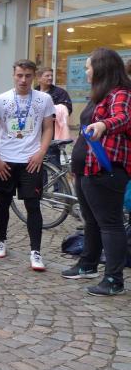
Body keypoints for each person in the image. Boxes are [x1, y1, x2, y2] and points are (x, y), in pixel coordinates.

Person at [61, 48, 130, 296]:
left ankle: (114, 279)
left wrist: (103, 124)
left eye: (88, 67)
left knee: (110, 224)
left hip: (106, 170)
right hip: (87, 169)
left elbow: (123, 118)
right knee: (90, 221)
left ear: (101, 68)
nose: (86, 72)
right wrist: (76, 166)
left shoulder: (121, 93)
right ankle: (87, 265)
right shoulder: (99, 95)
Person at [0, 59, 55, 270]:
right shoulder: (0, 100)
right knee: (3, 202)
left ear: (34, 76)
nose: (23, 80)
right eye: (19, 75)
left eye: (27, 76)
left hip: (31, 161)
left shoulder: (44, 99)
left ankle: (36, 252)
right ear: (13, 75)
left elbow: (48, 128)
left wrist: (41, 153)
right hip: (6, 160)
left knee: (33, 205)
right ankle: (1, 240)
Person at [35, 67, 73, 168]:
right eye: (47, 75)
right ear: (39, 78)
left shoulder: (60, 93)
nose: (50, 78)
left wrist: (53, 114)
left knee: (53, 160)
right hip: (36, 132)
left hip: (52, 131)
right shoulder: (33, 92)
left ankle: (57, 178)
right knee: (38, 162)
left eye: (51, 75)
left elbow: (67, 108)